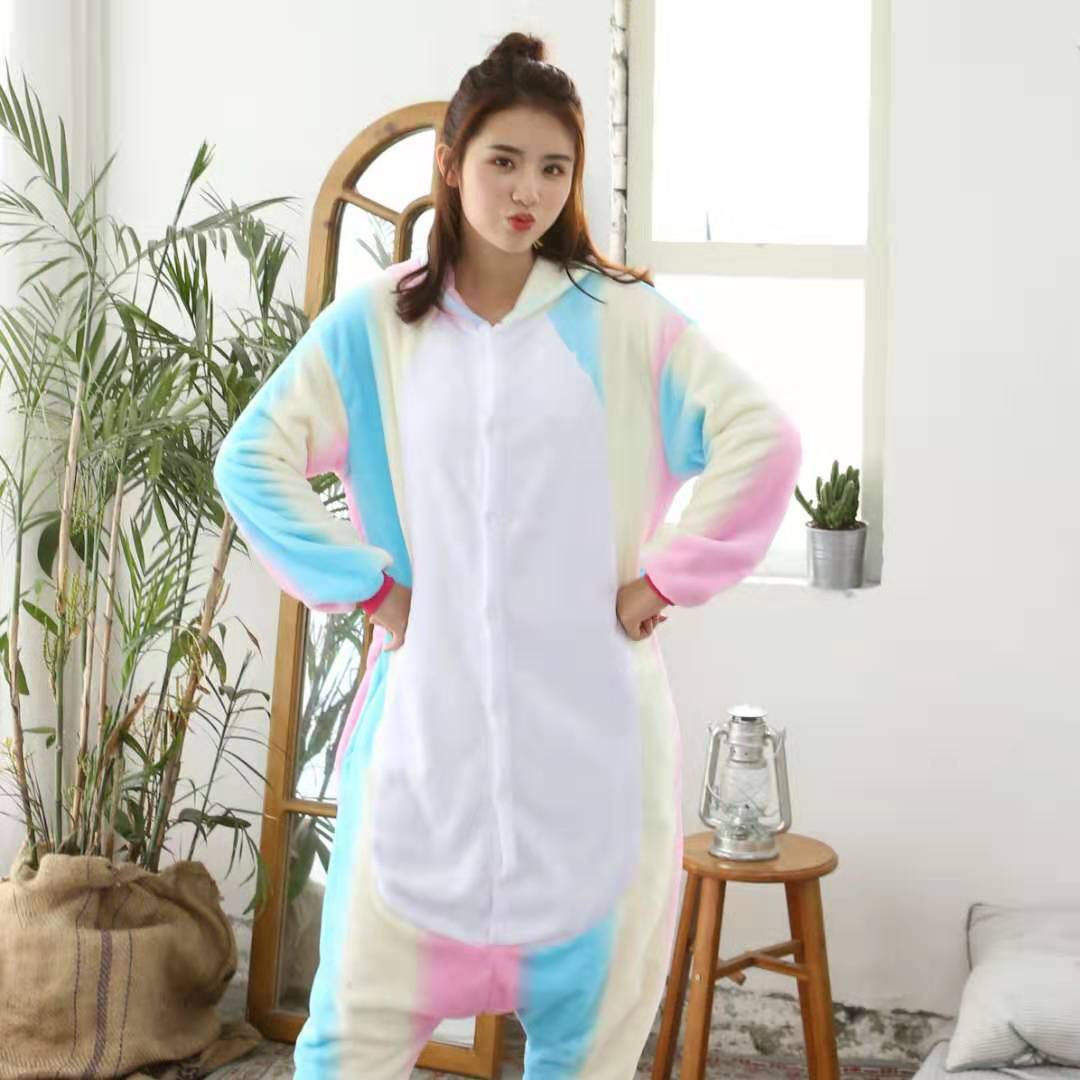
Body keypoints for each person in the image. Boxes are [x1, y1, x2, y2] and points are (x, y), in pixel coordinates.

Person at [213, 30, 801, 1080]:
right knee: (346, 1046)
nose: (528, 190)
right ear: (451, 163)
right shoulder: (376, 327)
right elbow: (251, 461)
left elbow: (763, 438)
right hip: (423, 750)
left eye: (553, 167)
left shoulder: (622, 321)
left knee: (588, 1051)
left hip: (594, 761)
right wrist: (367, 585)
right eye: (504, 160)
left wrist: (666, 575)